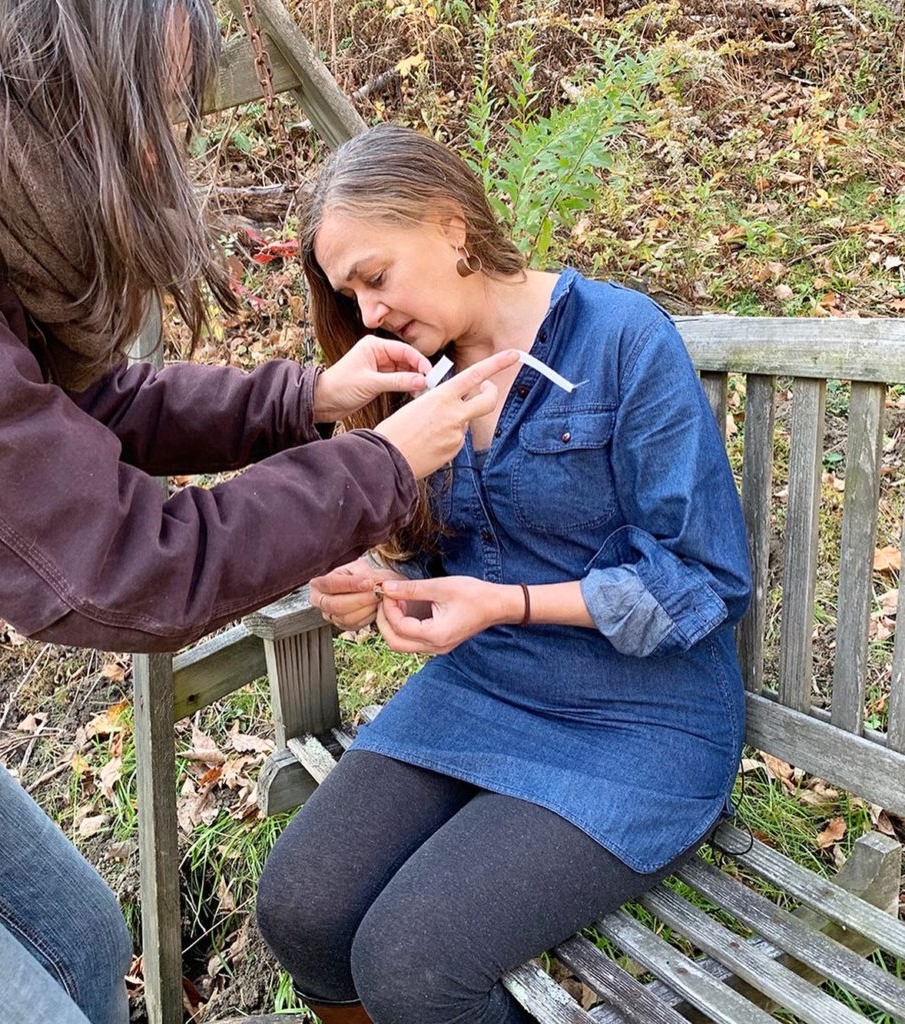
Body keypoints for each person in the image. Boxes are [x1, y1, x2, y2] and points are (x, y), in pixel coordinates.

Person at [0, 6, 518, 1024]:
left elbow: (86, 408)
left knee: (82, 941)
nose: (155, 146)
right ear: (57, 85)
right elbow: (129, 565)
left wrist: (300, 402)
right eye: (149, 108)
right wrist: (380, 464)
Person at [254, 124, 753, 1024]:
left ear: (452, 227)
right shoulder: (415, 373)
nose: (366, 314)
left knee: (411, 964)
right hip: (482, 689)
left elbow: (703, 578)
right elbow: (438, 546)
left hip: (640, 721)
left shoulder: (620, 340)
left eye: (375, 276)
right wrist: (369, 571)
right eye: (347, 293)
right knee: (300, 910)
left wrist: (505, 603)